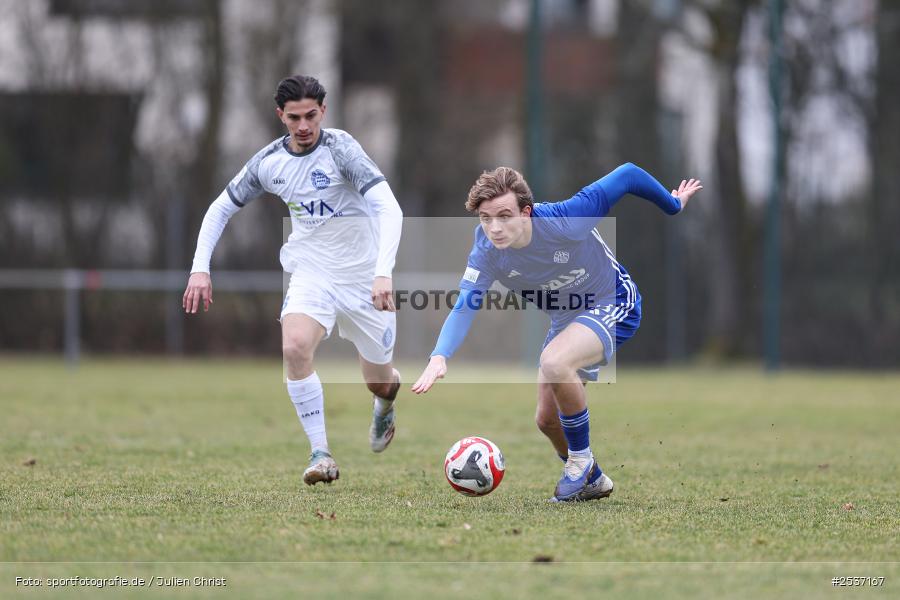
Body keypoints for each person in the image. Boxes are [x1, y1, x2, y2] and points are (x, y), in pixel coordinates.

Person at [412, 163, 701, 502]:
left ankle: (578, 463)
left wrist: (673, 204)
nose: (494, 228)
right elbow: (465, 304)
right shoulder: (487, 252)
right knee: (547, 420)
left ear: (527, 212)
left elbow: (628, 175)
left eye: (504, 216)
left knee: (553, 361)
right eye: (485, 218)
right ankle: (591, 478)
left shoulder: (567, 218)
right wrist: (439, 355)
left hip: (614, 299)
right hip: (567, 318)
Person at [183, 75, 404, 487]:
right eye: (295, 117)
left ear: (323, 111)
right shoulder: (269, 162)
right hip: (312, 273)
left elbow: (390, 210)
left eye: (311, 116)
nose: (304, 126)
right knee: (295, 346)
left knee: (379, 380)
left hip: (363, 280)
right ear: (280, 116)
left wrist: (382, 273)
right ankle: (321, 454)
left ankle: (386, 403)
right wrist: (200, 267)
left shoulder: (342, 152)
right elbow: (219, 209)